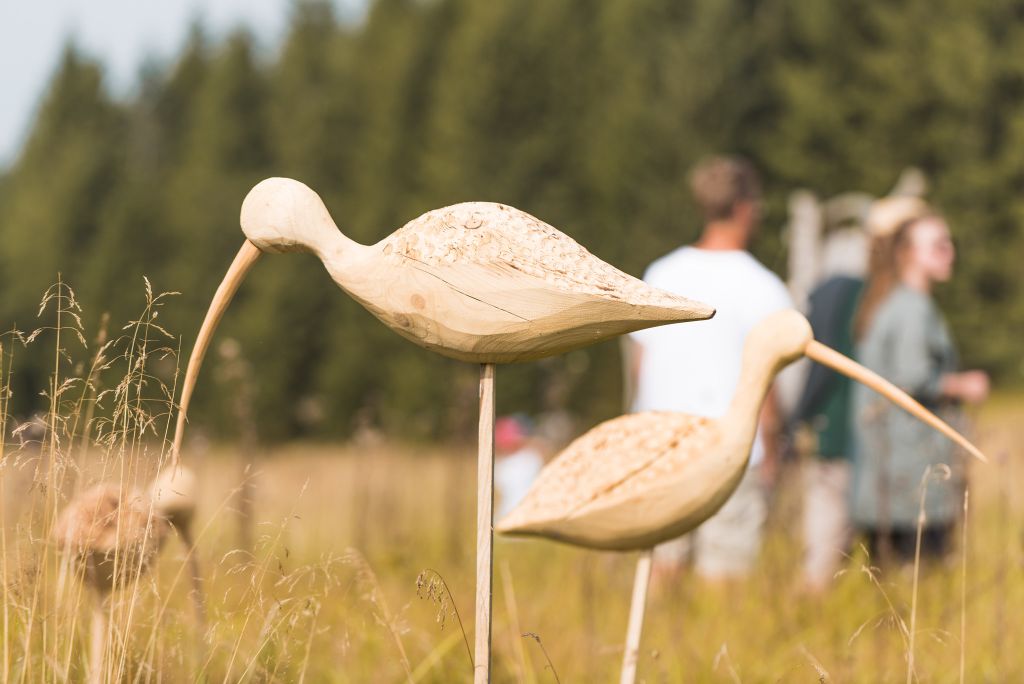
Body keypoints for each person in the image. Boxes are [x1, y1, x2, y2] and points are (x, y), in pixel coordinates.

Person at [626, 155, 792, 581]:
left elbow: (642, 368)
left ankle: (652, 650)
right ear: (743, 207)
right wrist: (772, 449)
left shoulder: (661, 272)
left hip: (663, 445)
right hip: (730, 450)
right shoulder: (762, 286)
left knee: (662, 568)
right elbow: (765, 379)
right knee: (726, 581)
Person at [793, 196, 925, 592]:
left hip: (870, 448)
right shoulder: (856, 295)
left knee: (878, 569)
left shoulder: (868, 295)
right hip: (853, 447)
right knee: (832, 562)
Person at [851, 207, 989, 563]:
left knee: (888, 590)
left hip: (887, 475)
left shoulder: (889, 301)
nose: (951, 253)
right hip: (912, 478)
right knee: (921, 586)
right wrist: (965, 385)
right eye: (939, 246)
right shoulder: (912, 308)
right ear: (909, 253)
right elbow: (913, 377)